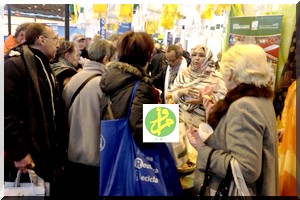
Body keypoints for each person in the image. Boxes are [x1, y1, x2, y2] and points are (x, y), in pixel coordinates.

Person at [188, 44, 278, 196]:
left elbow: (246, 169)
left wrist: (202, 149)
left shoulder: (243, 106)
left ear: (229, 73)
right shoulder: (261, 100)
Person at [4, 23, 67, 196]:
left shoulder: (44, 65)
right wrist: (19, 153)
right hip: (27, 154)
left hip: (45, 152)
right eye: (55, 39)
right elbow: (6, 113)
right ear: (41, 40)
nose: (58, 44)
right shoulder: (15, 65)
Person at [165, 45, 227, 192]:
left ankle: (196, 191)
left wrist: (205, 100)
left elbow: (224, 101)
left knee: (197, 165)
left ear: (207, 58)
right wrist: (181, 92)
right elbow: (169, 94)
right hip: (179, 124)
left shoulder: (216, 77)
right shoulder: (184, 73)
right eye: (194, 55)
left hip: (200, 128)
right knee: (178, 161)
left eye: (200, 55)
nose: (197, 58)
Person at [62, 37, 116, 196]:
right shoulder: (103, 85)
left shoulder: (74, 79)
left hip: (72, 153)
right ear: (106, 59)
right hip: (95, 157)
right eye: (113, 59)